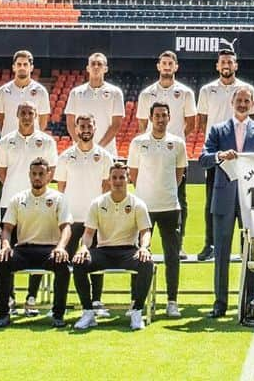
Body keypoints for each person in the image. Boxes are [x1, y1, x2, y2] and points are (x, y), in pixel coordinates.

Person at [199, 85, 254, 318]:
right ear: (232, 102)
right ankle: (220, 303)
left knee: (250, 253)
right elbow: (204, 158)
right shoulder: (218, 130)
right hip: (224, 196)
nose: (242, 104)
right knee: (221, 252)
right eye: (239, 100)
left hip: (251, 199)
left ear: (252, 104)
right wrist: (220, 155)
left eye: (246, 100)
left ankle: (249, 301)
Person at [72, 163, 155, 331]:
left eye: (121, 177)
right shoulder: (98, 203)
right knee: (79, 263)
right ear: (109, 180)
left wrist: (144, 247)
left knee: (146, 263)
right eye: (114, 178)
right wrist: (83, 248)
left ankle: (137, 311)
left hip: (128, 250)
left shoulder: (137, 204)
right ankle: (88, 311)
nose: (118, 181)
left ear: (128, 179)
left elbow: (145, 231)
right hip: (104, 251)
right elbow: (88, 233)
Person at [195, 47, 254, 261]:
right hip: (218, 153)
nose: (226, 65)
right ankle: (210, 244)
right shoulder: (206, 90)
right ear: (217, 65)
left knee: (245, 201)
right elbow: (202, 122)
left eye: (230, 62)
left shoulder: (246, 89)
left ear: (235, 65)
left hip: (241, 155)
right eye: (223, 62)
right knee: (211, 202)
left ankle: (245, 246)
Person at [0, 156, 73, 328]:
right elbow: (7, 228)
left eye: (41, 174)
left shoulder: (59, 198)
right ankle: (3, 313)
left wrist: (60, 247)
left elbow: (66, 227)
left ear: (49, 175)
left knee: (63, 266)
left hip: (49, 250)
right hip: (23, 250)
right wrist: (6, 245)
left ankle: (58, 314)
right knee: (1, 262)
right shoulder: (18, 199)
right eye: (34, 174)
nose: (37, 177)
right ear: (29, 175)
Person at [127, 101, 187, 318]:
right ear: (151, 118)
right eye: (157, 115)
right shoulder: (138, 142)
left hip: (170, 207)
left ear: (169, 118)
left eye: (164, 115)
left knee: (172, 256)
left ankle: (172, 301)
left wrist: (166, 191)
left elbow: (179, 174)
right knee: (140, 255)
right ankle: (137, 301)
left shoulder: (177, 143)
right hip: (144, 207)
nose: (161, 119)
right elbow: (133, 174)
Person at [136, 49, 197, 250]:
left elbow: (191, 122)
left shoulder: (186, 93)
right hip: (151, 154)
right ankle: (143, 246)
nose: (167, 66)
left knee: (180, 199)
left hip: (175, 154)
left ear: (176, 67)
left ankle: (177, 246)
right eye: (164, 63)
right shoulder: (147, 94)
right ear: (158, 66)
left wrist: (174, 142)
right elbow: (142, 123)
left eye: (171, 63)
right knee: (145, 200)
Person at [55, 111, 114, 317]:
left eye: (89, 127)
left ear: (94, 128)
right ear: (76, 129)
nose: (86, 130)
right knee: (64, 263)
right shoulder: (65, 156)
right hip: (71, 219)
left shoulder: (105, 156)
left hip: (94, 219)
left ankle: (96, 301)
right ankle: (59, 305)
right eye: (82, 127)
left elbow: (107, 187)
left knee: (94, 262)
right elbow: (61, 188)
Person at [65, 51, 125, 151]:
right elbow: (70, 122)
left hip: (107, 150)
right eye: (93, 64)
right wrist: (80, 144)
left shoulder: (115, 92)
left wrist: (99, 148)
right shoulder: (76, 92)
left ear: (105, 69)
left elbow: (116, 124)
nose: (96, 67)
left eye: (100, 64)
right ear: (88, 68)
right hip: (80, 150)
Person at [0, 49, 51, 137]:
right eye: (19, 64)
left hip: (32, 143)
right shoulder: (2, 91)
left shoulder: (41, 91)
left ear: (31, 67)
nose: (22, 67)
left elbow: (43, 121)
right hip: (9, 142)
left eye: (25, 64)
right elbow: (0, 119)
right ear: (14, 67)